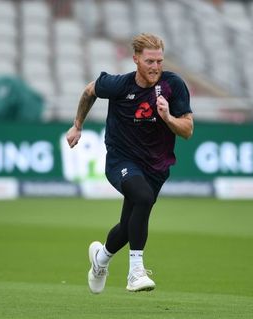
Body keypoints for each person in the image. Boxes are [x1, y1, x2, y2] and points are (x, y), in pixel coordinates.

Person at [66, 33, 194, 293]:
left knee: (127, 227)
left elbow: (188, 130)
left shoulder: (173, 85)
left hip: (156, 167)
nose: (156, 67)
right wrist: (77, 125)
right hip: (120, 160)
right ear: (136, 59)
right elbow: (89, 91)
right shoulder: (119, 85)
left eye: (159, 61)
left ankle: (100, 259)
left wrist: (168, 117)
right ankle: (135, 272)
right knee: (143, 197)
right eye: (149, 61)